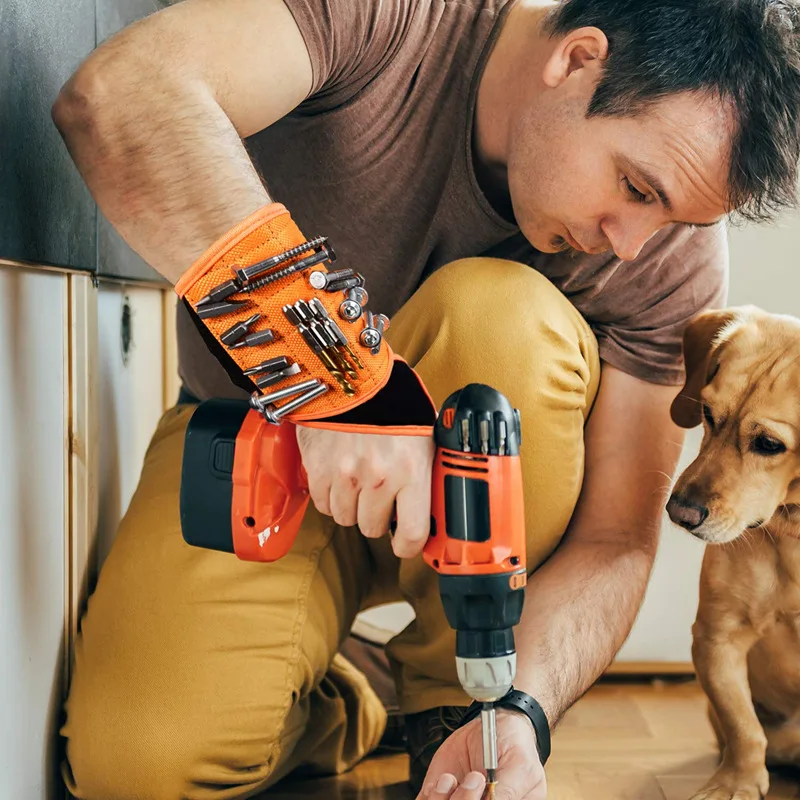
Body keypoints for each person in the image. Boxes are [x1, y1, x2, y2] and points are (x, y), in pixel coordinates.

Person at [52, 0, 800, 798]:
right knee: (138, 766)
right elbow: (122, 95)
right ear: (578, 59)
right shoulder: (390, 14)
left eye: (673, 218)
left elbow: (615, 538)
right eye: (635, 187)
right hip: (258, 444)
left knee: (501, 316)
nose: (631, 244)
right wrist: (334, 378)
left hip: (477, 542)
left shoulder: (666, 255)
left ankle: (456, 705)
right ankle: (356, 691)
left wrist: (522, 706)